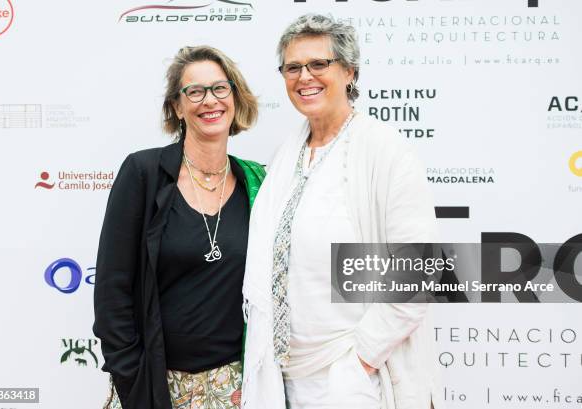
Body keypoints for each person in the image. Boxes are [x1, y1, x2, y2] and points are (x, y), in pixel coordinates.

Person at [241, 14, 442, 409]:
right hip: (284, 379)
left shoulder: (383, 150)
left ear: (350, 71)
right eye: (293, 67)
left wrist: (359, 362)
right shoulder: (286, 155)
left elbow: (414, 271)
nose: (305, 77)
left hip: (354, 379)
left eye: (319, 64)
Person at [93, 45, 265, 409]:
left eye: (220, 88)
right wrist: (133, 381)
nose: (210, 101)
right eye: (195, 91)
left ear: (234, 97)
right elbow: (112, 291)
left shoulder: (257, 182)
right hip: (158, 386)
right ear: (177, 106)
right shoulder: (144, 174)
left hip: (236, 387)